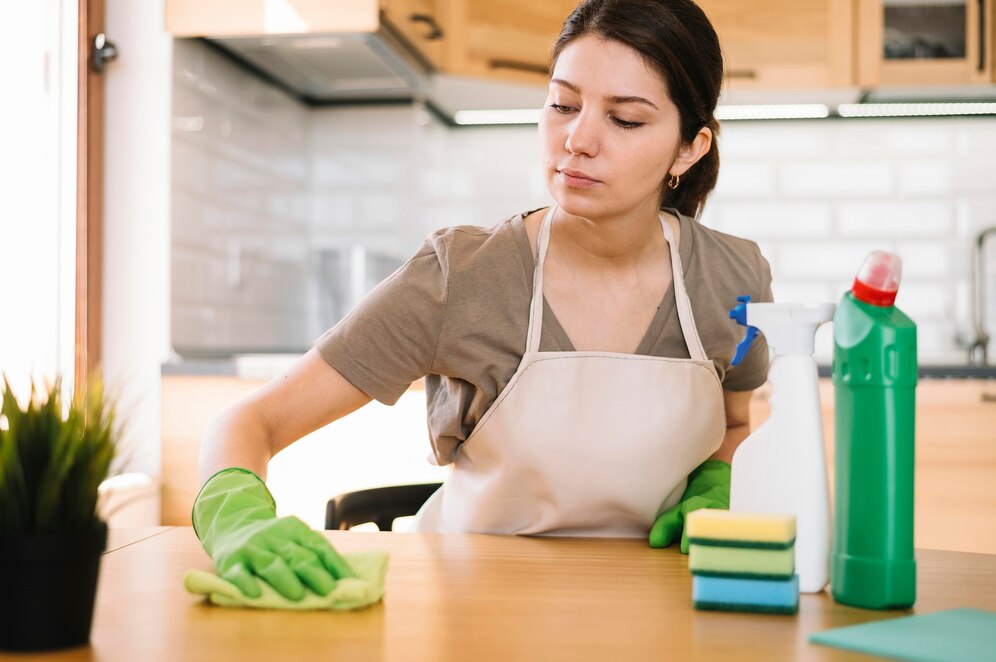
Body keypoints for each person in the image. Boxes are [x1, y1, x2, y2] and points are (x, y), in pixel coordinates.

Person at [191, 0, 773, 602]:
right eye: (563, 105)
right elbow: (248, 422)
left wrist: (719, 479)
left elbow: (734, 423)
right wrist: (239, 520)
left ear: (689, 148)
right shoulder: (461, 276)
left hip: (661, 609)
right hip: (478, 606)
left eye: (625, 119)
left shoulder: (734, 277)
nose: (577, 139)